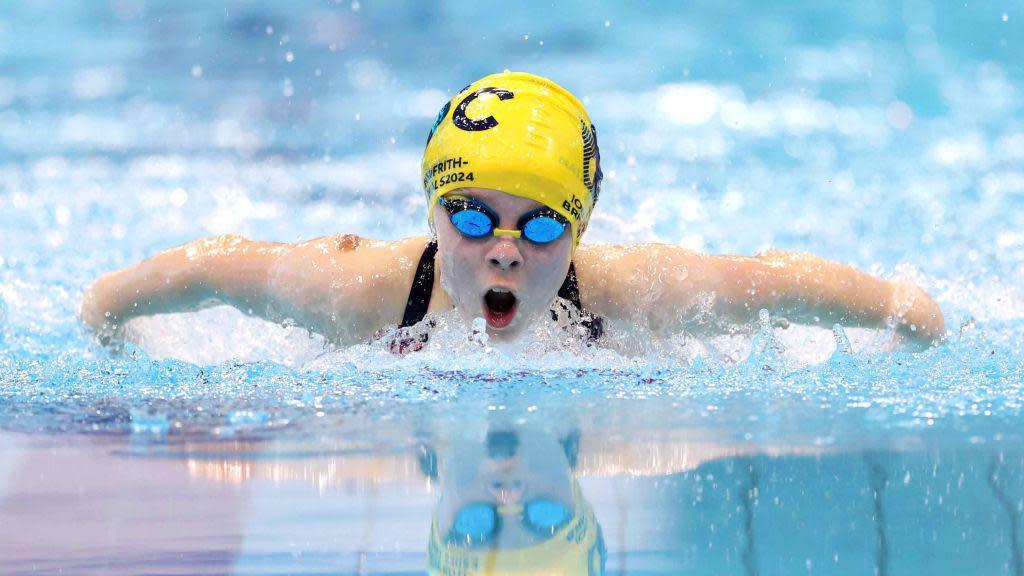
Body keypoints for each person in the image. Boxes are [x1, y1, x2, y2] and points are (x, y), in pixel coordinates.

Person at [80, 71, 946, 353]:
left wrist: (913, 320)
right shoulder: (356, 293)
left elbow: (768, 283)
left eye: (538, 225)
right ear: (428, 215)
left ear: (579, 231)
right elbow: (200, 268)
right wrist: (110, 323)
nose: (502, 252)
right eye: (470, 216)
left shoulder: (633, 291)